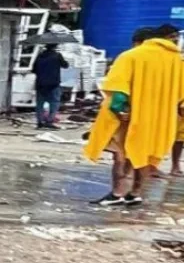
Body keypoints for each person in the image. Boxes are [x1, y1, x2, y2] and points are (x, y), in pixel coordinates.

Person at [83, 25, 184, 207]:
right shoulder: (176, 61)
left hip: (129, 116)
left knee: (120, 153)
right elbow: (180, 94)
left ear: (138, 42)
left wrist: (120, 110)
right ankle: (136, 192)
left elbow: (119, 89)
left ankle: (117, 193)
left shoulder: (131, 56)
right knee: (143, 153)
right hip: (158, 118)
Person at [31, 43, 67, 128]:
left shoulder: (39, 56)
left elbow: (34, 69)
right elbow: (65, 65)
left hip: (40, 84)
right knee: (54, 103)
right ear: (55, 47)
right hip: (53, 83)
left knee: (40, 104)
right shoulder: (57, 56)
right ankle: (49, 121)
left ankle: (39, 122)